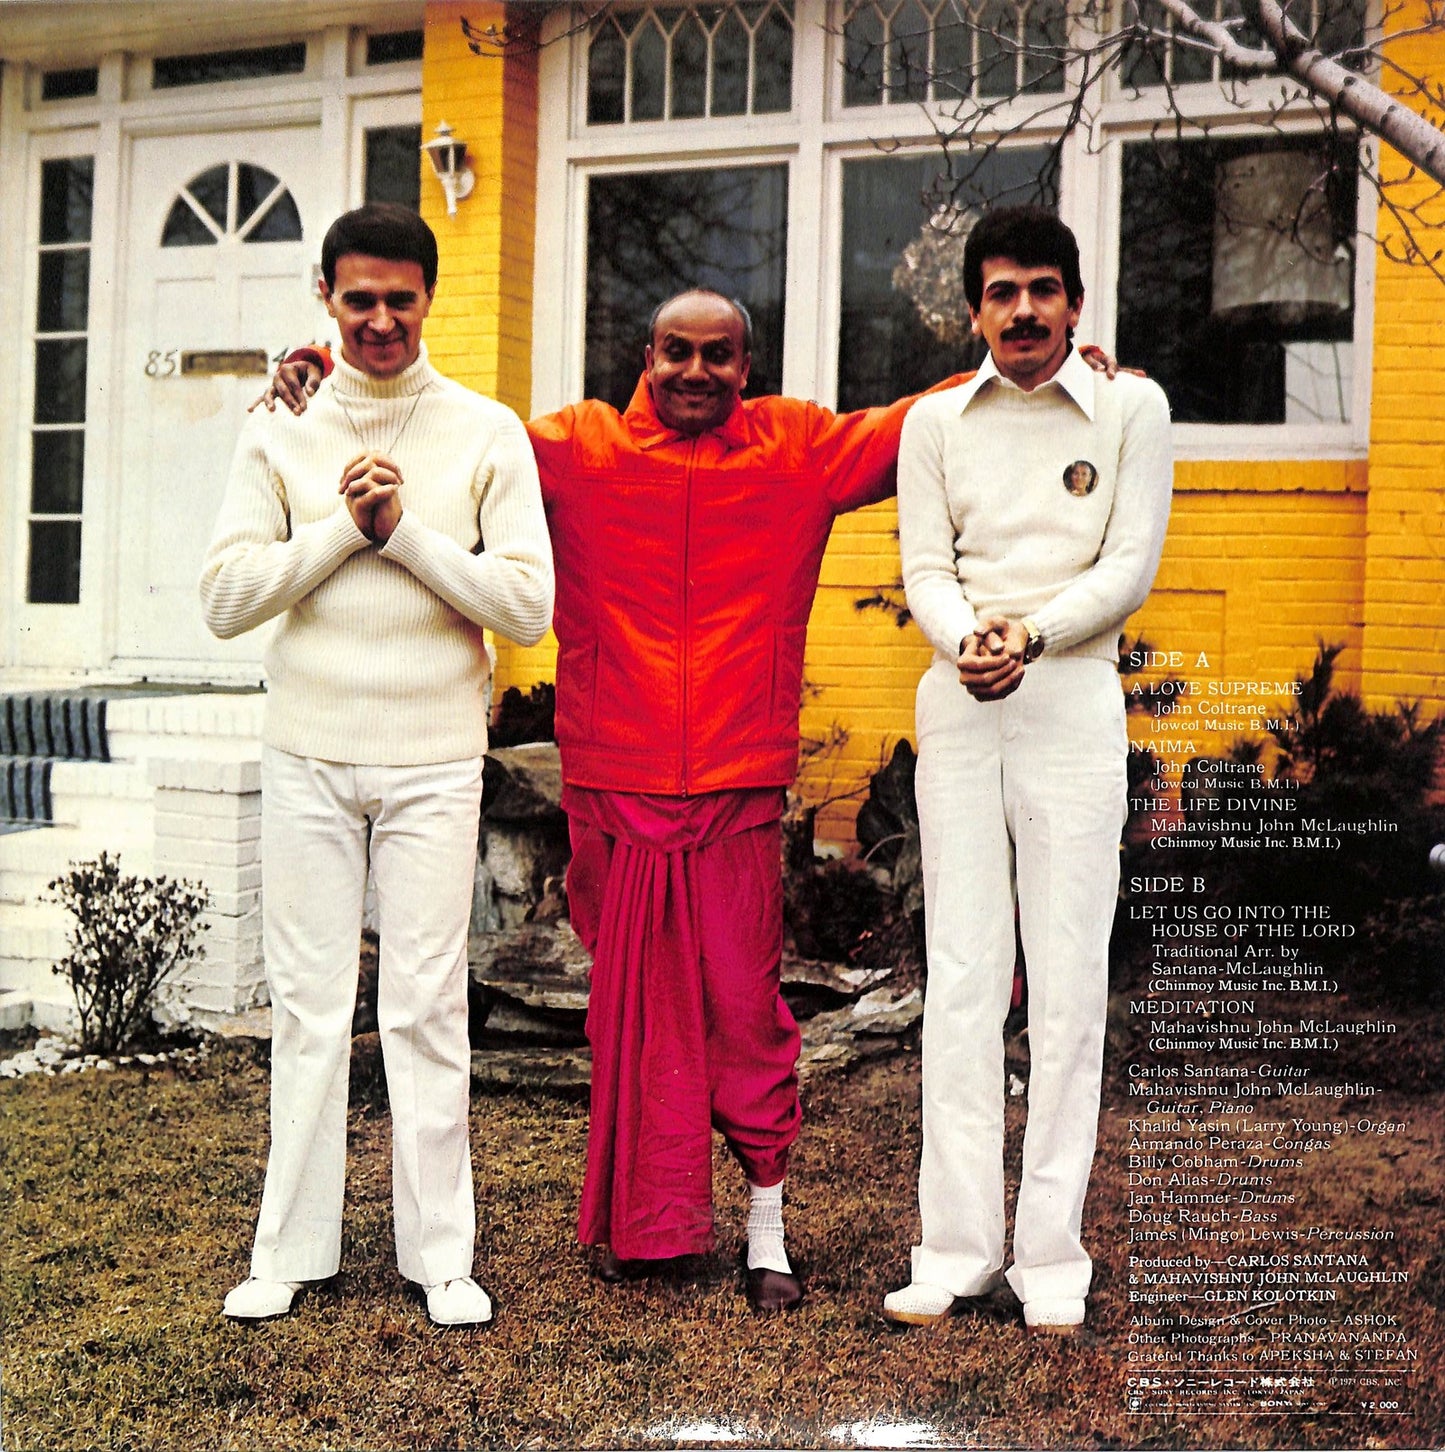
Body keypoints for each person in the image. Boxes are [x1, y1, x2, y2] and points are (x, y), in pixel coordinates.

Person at [258, 289, 1121, 1316]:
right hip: (613, 778)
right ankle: (645, 1227)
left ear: (745, 368)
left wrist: (1031, 370)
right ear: (646, 355)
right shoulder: (578, 447)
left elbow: (913, 423)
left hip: (736, 780)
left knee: (743, 1015)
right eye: (677, 352)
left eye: (719, 356)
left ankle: (766, 1231)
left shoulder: (795, 449)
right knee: (631, 1019)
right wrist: (325, 366)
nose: (696, 372)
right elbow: (448, 432)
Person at [201, 204, 554, 1327]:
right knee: (308, 1007)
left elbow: (527, 608)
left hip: (434, 759)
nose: (382, 320)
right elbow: (224, 600)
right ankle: (288, 1252)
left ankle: (440, 1257)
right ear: (326, 297)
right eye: (359, 299)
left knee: (424, 1004)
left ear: (429, 297)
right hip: (307, 751)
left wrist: (403, 531)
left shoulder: (485, 430)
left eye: (402, 298)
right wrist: (341, 531)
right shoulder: (281, 423)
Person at [884, 207, 1172, 1335]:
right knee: (960, 976)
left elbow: (1128, 563)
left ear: (1074, 303)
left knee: (1065, 985)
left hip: (1070, 700)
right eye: (1000, 292)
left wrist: (1032, 636)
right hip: (961, 703)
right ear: (973, 310)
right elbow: (924, 565)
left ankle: (1050, 1258)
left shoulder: (1130, 408)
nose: (1021, 311)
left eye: (1041, 289)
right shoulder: (933, 422)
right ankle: (953, 1250)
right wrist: (968, 640)